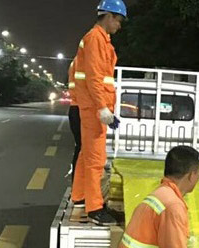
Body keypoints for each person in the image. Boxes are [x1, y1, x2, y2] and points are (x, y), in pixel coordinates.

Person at [71, 0, 126, 226]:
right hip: (94, 108)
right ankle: (95, 209)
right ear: (109, 16)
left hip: (93, 106)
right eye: (118, 20)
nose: (119, 26)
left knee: (86, 155)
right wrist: (102, 107)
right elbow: (94, 77)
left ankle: (79, 196)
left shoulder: (100, 40)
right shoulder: (95, 39)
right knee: (96, 159)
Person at [67, 58, 82, 184]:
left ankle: (77, 189)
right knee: (84, 150)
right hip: (82, 109)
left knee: (80, 148)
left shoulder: (76, 61)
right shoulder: (85, 60)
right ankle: (79, 190)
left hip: (76, 108)